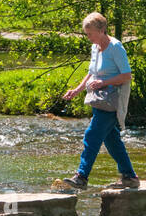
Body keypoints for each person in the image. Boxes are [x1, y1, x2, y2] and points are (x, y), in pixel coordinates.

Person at [58, 12, 140, 190]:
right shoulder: (96, 47)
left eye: (90, 33)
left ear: (102, 30)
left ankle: (82, 176)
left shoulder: (116, 47)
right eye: (86, 34)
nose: (88, 37)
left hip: (112, 101)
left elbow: (127, 75)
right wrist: (76, 90)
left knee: (92, 135)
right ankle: (130, 177)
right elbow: (91, 73)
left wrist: (104, 82)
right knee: (112, 141)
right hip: (99, 101)